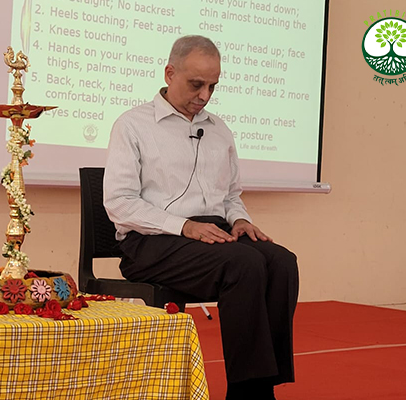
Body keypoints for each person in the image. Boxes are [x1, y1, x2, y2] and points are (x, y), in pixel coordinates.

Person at [103, 35, 299, 400]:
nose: (204, 95)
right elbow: (120, 202)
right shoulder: (132, 125)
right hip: (152, 242)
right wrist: (184, 226)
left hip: (213, 237)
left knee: (282, 262)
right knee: (243, 264)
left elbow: (231, 196)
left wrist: (239, 220)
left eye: (212, 86)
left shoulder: (218, 130)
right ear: (169, 73)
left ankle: (263, 386)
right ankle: (247, 394)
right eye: (196, 84)